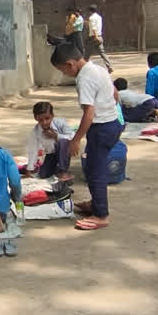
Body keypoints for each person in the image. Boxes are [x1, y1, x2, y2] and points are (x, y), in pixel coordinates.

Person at [51, 42, 122, 230]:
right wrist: (108, 111)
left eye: (62, 70)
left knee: (95, 171)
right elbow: (115, 95)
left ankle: (101, 215)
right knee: (92, 167)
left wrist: (76, 140)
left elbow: (89, 113)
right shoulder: (98, 69)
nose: (64, 74)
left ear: (70, 64)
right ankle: (95, 203)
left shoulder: (83, 79)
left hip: (101, 128)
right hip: (112, 124)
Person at [23, 101, 72, 180]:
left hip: (64, 151)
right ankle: (57, 170)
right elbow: (33, 150)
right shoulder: (35, 131)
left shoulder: (60, 123)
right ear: (36, 118)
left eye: (47, 118)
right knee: (43, 175)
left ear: (52, 116)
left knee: (63, 142)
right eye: (40, 120)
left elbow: (72, 137)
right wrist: (30, 169)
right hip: (51, 154)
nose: (44, 122)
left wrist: (56, 136)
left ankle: (63, 171)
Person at [86, 4, 113, 71]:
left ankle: (81, 67)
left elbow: (94, 28)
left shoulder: (91, 18)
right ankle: (109, 66)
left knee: (87, 53)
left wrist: (96, 36)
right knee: (102, 53)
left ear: (90, 11)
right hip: (100, 36)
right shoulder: (99, 17)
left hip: (94, 37)